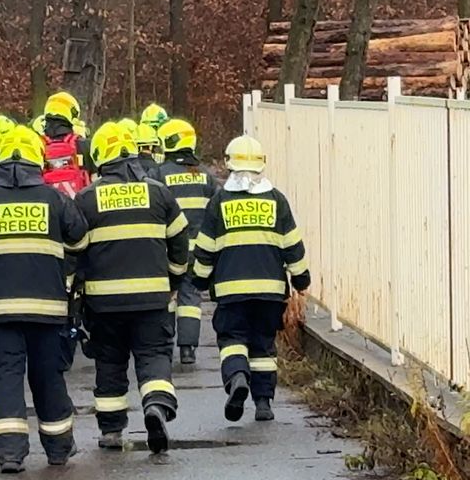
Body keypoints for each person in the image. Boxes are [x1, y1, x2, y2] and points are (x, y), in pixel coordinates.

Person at [0, 127, 87, 474]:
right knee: (48, 377)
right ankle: (58, 449)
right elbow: (80, 238)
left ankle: (10, 453)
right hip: (48, 309)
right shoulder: (54, 198)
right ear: (35, 160)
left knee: (6, 377)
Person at [66, 121, 190, 455]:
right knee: (153, 356)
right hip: (153, 298)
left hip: (104, 303)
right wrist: (173, 280)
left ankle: (110, 430)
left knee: (110, 361)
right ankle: (156, 405)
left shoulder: (86, 199)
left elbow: (74, 251)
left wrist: (75, 296)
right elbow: (181, 242)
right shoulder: (159, 193)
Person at [192, 135, 309, 423]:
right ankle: (263, 403)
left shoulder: (220, 201)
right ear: (261, 164)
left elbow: (206, 247)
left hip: (231, 292)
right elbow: (292, 245)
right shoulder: (276, 200)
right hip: (270, 291)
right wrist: (301, 279)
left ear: (230, 164)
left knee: (232, 338)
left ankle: (237, 378)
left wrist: (199, 279)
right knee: (263, 344)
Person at [152, 119, 218, 364]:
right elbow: (215, 213)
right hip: (197, 251)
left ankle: (165, 344)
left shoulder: (158, 174)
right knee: (191, 298)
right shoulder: (206, 176)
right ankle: (188, 349)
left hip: (167, 250)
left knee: (168, 296)